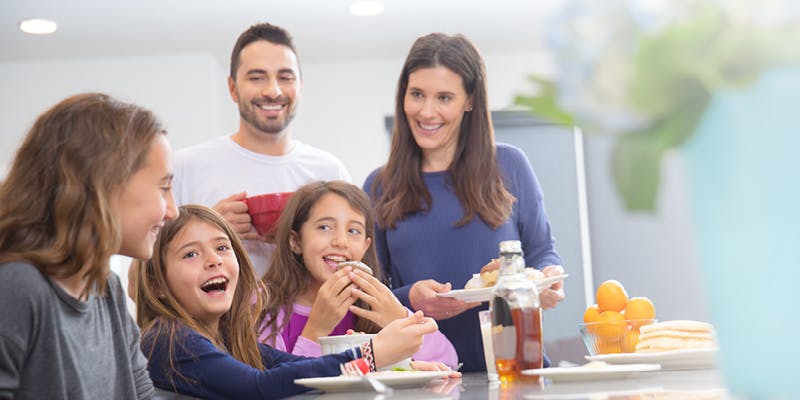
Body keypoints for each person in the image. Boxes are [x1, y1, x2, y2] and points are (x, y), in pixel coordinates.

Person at [363, 33, 566, 372]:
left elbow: (542, 251)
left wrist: (548, 277)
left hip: (515, 370)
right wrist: (408, 298)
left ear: (469, 100)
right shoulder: (378, 186)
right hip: (422, 377)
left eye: (444, 97)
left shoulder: (509, 165)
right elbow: (368, 293)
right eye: (417, 95)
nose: (427, 111)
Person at [133, 204, 449, 399]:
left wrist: (391, 368)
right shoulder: (170, 338)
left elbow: (301, 369)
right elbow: (260, 387)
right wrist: (373, 355)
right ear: (157, 284)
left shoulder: (228, 334)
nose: (213, 261)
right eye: (191, 254)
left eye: (222, 248)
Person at [0, 93, 179, 399]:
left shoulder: (107, 288)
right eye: (163, 188)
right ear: (104, 186)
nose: (173, 210)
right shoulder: (18, 287)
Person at [172, 22, 350, 277]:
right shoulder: (185, 167)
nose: (273, 91)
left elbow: (354, 267)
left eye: (285, 77)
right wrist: (207, 229)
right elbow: (140, 285)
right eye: (257, 78)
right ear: (233, 88)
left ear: (300, 85)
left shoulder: (330, 171)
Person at [258, 181, 458, 367]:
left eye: (353, 231)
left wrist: (398, 319)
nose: (341, 241)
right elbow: (273, 384)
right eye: (325, 227)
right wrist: (316, 329)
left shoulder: (373, 307)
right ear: (296, 241)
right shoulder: (265, 306)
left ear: (365, 247)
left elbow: (447, 361)